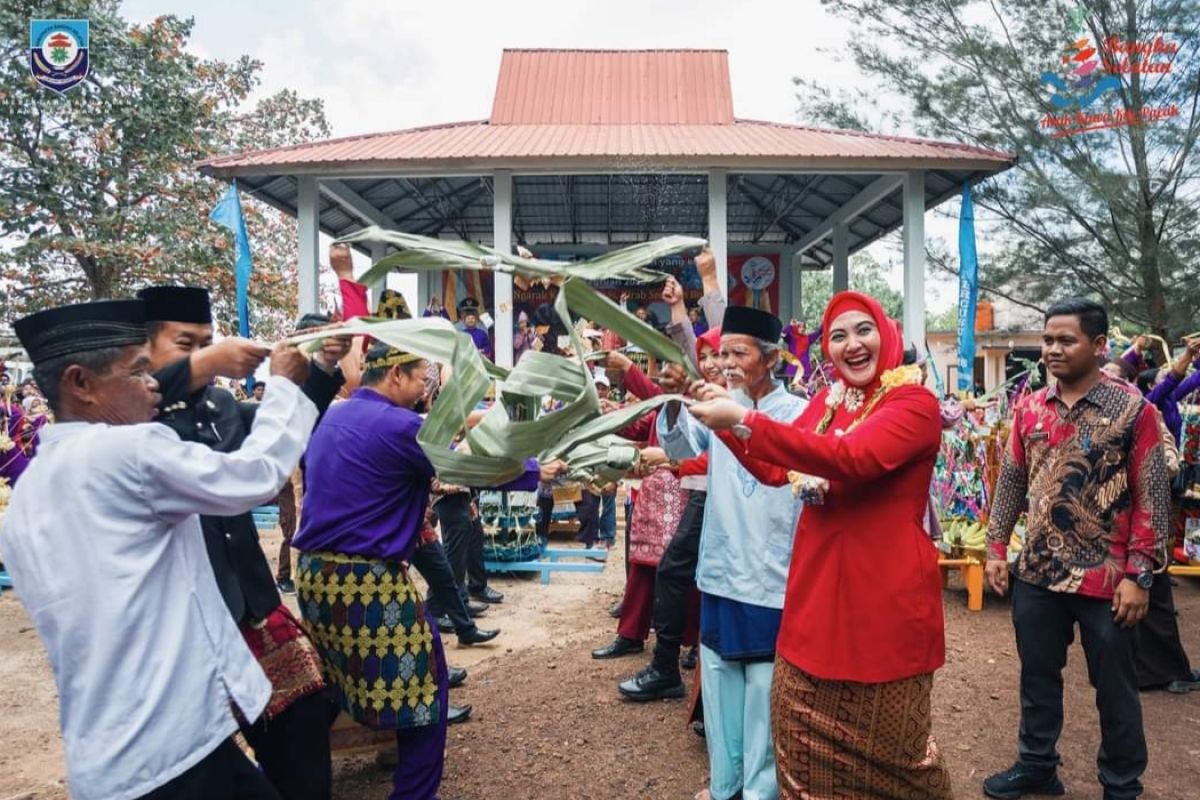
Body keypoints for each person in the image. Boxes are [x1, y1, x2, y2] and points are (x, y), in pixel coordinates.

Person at [3, 299, 316, 800]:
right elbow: (254, 477)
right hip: (169, 749)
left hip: (114, 752)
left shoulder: (31, 492)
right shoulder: (126, 451)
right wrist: (282, 385)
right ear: (80, 383)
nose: (155, 384)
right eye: (138, 372)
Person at [690, 291, 953, 800]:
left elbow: (852, 457)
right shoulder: (827, 403)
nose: (852, 344)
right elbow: (773, 468)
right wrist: (722, 423)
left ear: (887, 334)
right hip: (812, 606)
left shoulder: (913, 403)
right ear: (826, 350)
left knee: (898, 760)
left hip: (883, 609)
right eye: (838, 335)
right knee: (800, 755)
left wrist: (744, 420)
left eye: (863, 330)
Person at [293, 343, 562, 800]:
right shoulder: (402, 426)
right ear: (395, 374)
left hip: (315, 577)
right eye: (421, 379)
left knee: (335, 673)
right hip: (365, 579)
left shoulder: (333, 416)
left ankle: (294, 775)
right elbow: (474, 467)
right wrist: (537, 471)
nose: (424, 391)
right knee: (424, 684)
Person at [139, 286, 350, 800]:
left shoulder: (218, 403)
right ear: (139, 353)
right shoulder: (127, 422)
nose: (201, 354)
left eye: (207, 342)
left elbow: (286, 425)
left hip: (252, 603)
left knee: (305, 718)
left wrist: (318, 367)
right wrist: (202, 363)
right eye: (184, 344)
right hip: (183, 625)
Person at [982, 299, 1171, 800]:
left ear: (1100, 345)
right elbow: (1012, 482)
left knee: (1114, 687)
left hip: (1106, 581)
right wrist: (997, 548)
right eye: (1047, 340)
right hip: (1039, 573)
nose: (1052, 350)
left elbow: (1152, 496)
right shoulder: (1029, 408)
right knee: (1038, 677)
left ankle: (1122, 784)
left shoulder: (1134, 410)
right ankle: (1038, 765)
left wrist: (1140, 575)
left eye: (1066, 340)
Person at [658, 305, 807, 800]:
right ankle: (725, 787)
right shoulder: (721, 405)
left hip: (770, 574)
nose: (725, 363)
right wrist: (677, 398)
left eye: (738, 352)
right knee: (720, 688)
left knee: (763, 692)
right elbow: (680, 450)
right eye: (720, 354)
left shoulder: (799, 414)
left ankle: (760, 793)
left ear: (770, 358)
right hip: (720, 567)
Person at [618, 252, 725, 702]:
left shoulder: (745, 394)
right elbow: (690, 347)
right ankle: (675, 665)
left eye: (727, 355)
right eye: (711, 359)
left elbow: (722, 333)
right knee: (680, 570)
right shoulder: (695, 393)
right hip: (702, 493)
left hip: (724, 495)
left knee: (697, 573)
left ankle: (692, 668)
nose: (718, 363)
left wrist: (709, 279)